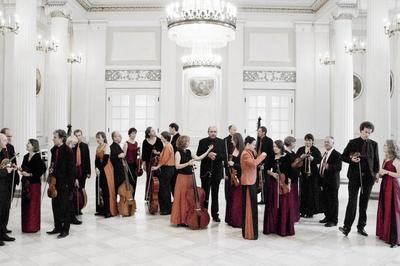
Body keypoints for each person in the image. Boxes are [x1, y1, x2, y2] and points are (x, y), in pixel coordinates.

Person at [339, 121, 379, 237]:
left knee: (364, 203)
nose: (367, 134)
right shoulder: (353, 143)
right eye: (366, 132)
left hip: (368, 178)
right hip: (354, 177)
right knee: (352, 202)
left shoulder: (374, 144)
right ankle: (346, 227)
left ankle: (361, 227)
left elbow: (376, 161)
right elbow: (343, 156)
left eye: (369, 133)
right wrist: (351, 159)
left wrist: (375, 174)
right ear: (361, 130)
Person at [170, 136, 213, 226]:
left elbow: (199, 158)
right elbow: (177, 166)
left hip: (190, 178)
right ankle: (181, 220)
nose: (189, 143)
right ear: (183, 142)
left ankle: (188, 219)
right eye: (188, 141)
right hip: (182, 178)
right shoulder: (178, 152)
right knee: (182, 198)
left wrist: (207, 151)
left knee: (189, 199)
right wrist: (188, 164)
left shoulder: (189, 151)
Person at [47, 129, 75, 239]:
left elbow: (71, 169)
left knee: (65, 206)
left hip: (64, 182)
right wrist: (50, 170)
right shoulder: (54, 150)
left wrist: (70, 184)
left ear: (61, 138)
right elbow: (53, 164)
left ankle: (65, 229)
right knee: (55, 205)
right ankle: (57, 227)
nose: (53, 139)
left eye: (55, 137)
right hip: (54, 181)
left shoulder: (68, 151)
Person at [263, 140, 294, 237]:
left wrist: (288, 182)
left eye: (276, 146)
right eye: (274, 146)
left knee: (283, 205)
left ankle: (283, 228)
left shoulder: (287, 157)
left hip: (283, 184)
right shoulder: (271, 157)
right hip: (273, 184)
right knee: (272, 205)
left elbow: (290, 172)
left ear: (281, 147)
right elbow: (266, 169)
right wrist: (272, 174)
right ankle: (272, 227)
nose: (274, 148)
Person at [196, 126, 225, 222]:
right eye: (211, 131)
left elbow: (224, 156)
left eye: (215, 131)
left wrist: (216, 155)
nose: (213, 133)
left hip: (217, 172)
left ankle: (215, 215)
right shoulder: (202, 141)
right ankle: (204, 214)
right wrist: (208, 155)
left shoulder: (221, 142)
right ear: (208, 132)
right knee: (205, 194)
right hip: (205, 172)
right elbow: (198, 155)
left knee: (215, 194)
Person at [241, 136, 266, 240]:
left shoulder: (250, 152)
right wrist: (263, 156)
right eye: (254, 144)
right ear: (248, 144)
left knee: (253, 208)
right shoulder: (245, 154)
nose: (255, 146)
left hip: (251, 182)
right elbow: (253, 163)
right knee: (249, 209)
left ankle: (253, 232)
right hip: (248, 183)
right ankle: (249, 233)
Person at [376, 140, 400, 248]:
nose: (384, 146)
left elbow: (398, 175)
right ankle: (385, 234)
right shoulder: (386, 159)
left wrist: (386, 172)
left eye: (385, 145)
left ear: (391, 147)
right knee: (385, 209)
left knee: (393, 210)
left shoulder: (397, 160)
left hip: (393, 187)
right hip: (385, 185)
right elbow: (382, 173)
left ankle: (394, 238)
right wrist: (379, 175)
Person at [20, 139, 46, 233]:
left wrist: (30, 174)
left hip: (34, 185)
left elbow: (41, 170)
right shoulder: (25, 156)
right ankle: (26, 227)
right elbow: (23, 167)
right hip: (25, 184)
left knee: (33, 205)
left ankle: (33, 227)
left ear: (34, 146)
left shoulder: (38, 157)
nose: (27, 145)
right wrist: (20, 169)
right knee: (25, 205)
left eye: (29, 144)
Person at [294, 134, 322, 218]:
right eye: (306, 140)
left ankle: (310, 212)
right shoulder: (301, 149)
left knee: (311, 193)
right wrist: (300, 158)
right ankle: (302, 211)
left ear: (312, 141)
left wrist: (313, 159)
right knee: (303, 192)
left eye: (310, 140)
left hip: (313, 175)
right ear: (304, 141)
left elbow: (320, 160)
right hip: (303, 174)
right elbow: (296, 160)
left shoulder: (315, 149)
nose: (308, 142)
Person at [319, 136, 342, 227]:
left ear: (333, 143)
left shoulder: (337, 154)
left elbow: (338, 167)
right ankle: (327, 217)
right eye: (325, 142)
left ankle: (333, 220)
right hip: (324, 182)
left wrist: (328, 166)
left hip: (332, 182)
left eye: (328, 142)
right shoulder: (325, 153)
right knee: (326, 201)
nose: (326, 143)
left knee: (333, 202)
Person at [0, 128, 19, 234]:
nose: (10, 139)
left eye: (11, 137)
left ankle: (3, 229)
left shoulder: (10, 147)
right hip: (1, 181)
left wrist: (14, 166)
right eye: (8, 137)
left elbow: (13, 161)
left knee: (7, 207)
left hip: (9, 181)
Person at [95, 132, 118, 218]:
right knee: (99, 189)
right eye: (97, 138)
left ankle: (108, 211)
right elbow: (96, 160)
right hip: (100, 170)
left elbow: (105, 161)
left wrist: (99, 169)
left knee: (106, 190)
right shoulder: (98, 147)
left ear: (103, 138)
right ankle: (101, 210)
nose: (98, 139)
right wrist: (96, 168)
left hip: (107, 169)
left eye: (99, 137)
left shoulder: (107, 146)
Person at [152, 131, 175, 215]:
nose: (160, 138)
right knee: (166, 189)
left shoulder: (167, 146)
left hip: (167, 169)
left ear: (165, 138)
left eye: (162, 137)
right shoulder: (168, 146)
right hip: (169, 169)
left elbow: (164, 160)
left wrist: (157, 167)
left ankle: (166, 209)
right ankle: (166, 208)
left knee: (164, 189)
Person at [225, 132, 243, 228]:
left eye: (232, 140)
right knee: (231, 198)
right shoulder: (233, 149)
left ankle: (237, 221)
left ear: (237, 140)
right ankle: (230, 219)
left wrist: (233, 164)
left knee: (237, 199)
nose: (231, 141)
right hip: (232, 177)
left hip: (239, 178)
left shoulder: (242, 151)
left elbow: (243, 167)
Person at [142, 127, 163, 200]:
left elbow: (162, 151)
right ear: (149, 133)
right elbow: (144, 154)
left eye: (154, 131)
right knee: (149, 178)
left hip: (157, 162)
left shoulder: (159, 140)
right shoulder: (145, 141)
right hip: (149, 163)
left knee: (158, 178)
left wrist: (157, 153)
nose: (154, 132)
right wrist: (144, 164)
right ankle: (148, 195)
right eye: (152, 131)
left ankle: (158, 196)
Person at [66, 135, 83, 225]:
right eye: (74, 144)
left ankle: (72, 217)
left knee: (71, 199)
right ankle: (71, 218)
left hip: (71, 178)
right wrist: (74, 178)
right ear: (69, 142)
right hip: (68, 179)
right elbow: (71, 168)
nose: (74, 146)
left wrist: (76, 177)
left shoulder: (70, 151)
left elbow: (74, 167)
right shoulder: (67, 152)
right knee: (69, 199)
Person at [256, 126, 274, 204]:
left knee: (266, 182)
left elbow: (270, 155)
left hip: (266, 165)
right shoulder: (258, 140)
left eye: (259, 131)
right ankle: (262, 198)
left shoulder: (269, 141)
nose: (258, 132)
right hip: (258, 163)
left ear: (264, 132)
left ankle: (266, 199)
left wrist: (265, 164)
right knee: (260, 182)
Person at [284, 136, 300, 222]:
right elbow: (288, 166)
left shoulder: (293, 153)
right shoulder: (286, 153)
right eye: (294, 142)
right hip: (290, 178)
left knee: (294, 197)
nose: (294, 144)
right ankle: (291, 216)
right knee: (290, 197)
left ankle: (295, 215)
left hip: (295, 178)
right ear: (290, 143)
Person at [73, 130, 91, 197]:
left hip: (83, 170)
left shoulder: (85, 146)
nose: (78, 137)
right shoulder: (72, 146)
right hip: (74, 170)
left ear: (81, 136)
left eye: (79, 135)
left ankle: (81, 202)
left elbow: (88, 159)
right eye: (76, 136)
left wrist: (89, 171)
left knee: (82, 187)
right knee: (74, 187)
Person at [123, 128, 140, 199]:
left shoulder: (136, 143)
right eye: (132, 133)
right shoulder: (126, 143)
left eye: (135, 133)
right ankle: (128, 198)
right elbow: (123, 155)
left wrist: (138, 152)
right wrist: (124, 166)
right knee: (128, 182)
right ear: (129, 134)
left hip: (135, 165)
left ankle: (132, 199)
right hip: (128, 165)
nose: (134, 135)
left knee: (134, 182)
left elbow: (137, 154)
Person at [224, 125, 237, 203]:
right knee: (228, 182)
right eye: (233, 130)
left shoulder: (237, 140)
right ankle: (228, 198)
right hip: (228, 164)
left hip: (235, 164)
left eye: (236, 130)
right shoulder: (225, 140)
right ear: (229, 130)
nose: (235, 131)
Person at [169, 123, 180, 196]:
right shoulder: (174, 137)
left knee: (174, 183)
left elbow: (175, 150)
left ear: (173, 128)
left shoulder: (178, 137)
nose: (169, 130)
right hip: (173, 163)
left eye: (169, 128)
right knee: (173, 183)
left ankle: (176, 201)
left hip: (176, 163)